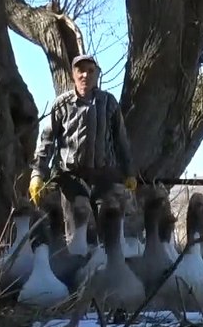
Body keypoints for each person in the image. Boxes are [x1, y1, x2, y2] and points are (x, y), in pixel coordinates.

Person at [28, 54, 138, 222]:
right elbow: (46, 142)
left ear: (97, 74)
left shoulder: (109, 102)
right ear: (73, 74)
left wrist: (129, 173)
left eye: (90, 71)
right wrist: (37, 175)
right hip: (70, 178)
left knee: (110, 228)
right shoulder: (61, 104)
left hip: (104, 177)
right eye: (80, 70)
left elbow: (121, 141)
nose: (85, 75)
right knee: (79, 229)